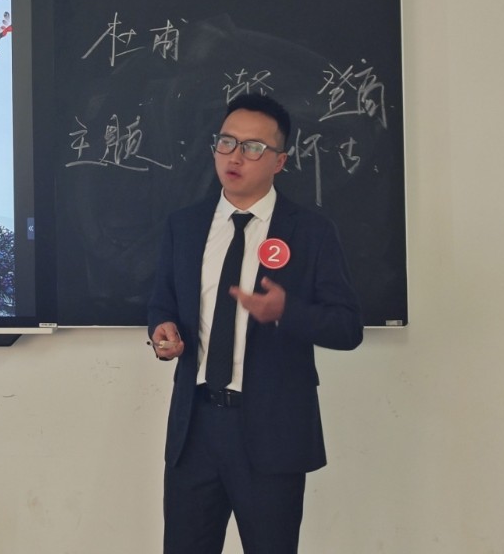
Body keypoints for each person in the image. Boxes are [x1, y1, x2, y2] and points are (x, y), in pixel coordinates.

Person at [147, 94, 362, 554]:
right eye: (227, 142)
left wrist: (287, 311)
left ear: (280, 161)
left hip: (272, 434)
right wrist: (162, 330)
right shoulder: (184, 226)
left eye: (253, 147)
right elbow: (161, 303)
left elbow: (348, 328)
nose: (235, 156)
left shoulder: (311, 232)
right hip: (195, 428)